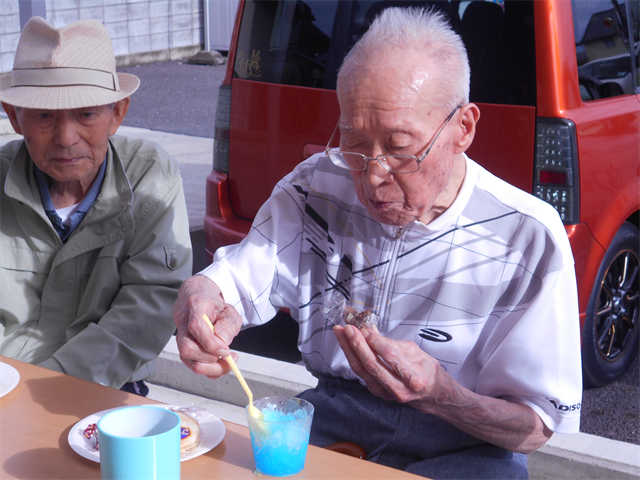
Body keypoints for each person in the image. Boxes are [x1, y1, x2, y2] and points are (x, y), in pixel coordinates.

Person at [172, 7, 582, 479]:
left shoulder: (526, 235)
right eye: (354, 144)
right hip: (332, 418)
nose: (372, 175)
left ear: (463, 128)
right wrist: (201, 297)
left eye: (401, 148)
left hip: (467, 446)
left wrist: (443, 395)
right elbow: (236, 279)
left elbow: (535, 428)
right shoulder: (315, 188)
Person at [0, 17, 192, 396]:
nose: (66, 138)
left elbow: (146, 307)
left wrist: (46, 387)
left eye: (86, 114)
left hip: (102, 388)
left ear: (117, 113)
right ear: (13, 116)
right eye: (43, 115)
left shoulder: (151, 177)